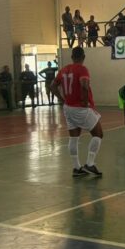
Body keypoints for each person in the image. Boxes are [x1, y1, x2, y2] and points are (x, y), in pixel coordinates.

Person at [50, 47, 104, 177]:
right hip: (80, 108)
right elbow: (84, 85)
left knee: (74, 137)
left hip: (68, 107)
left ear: (72, 57)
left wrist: (62, 99)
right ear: (83, 57)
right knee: (98, 134)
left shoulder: (63, 70)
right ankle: (90, 164)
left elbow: (52, 86)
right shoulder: (82, 69)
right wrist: (85, 102)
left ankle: (76, 168)